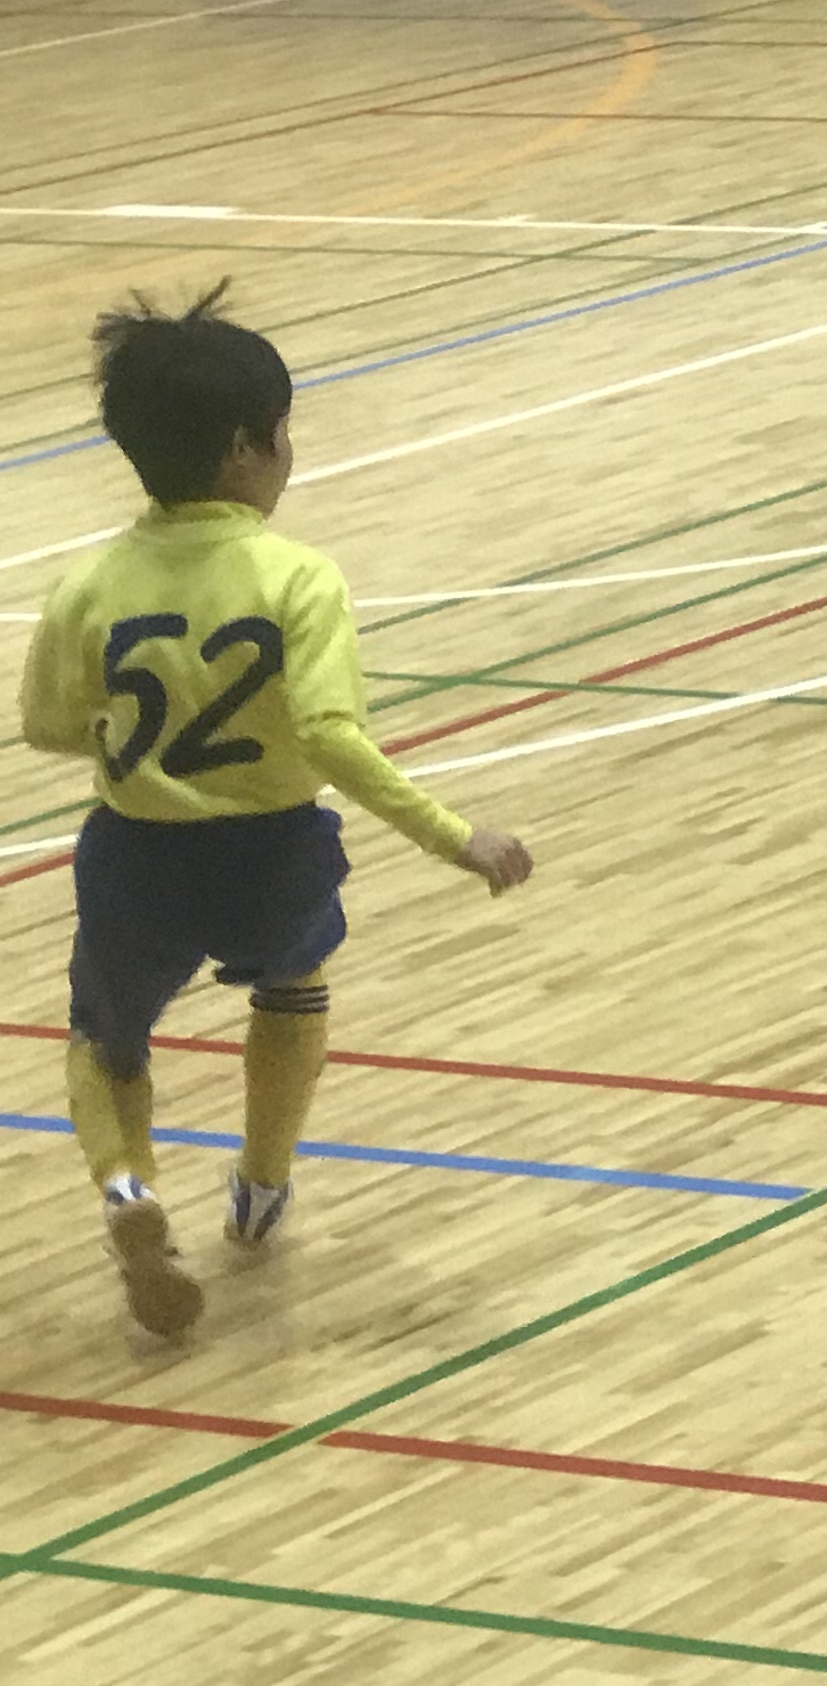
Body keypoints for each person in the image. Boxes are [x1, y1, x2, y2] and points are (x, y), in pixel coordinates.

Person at [19, 290, 536, 1339]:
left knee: (106, 1037)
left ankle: (126, 1189)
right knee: (292, 988)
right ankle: (259, 1187)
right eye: (282, 432)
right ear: (244, 451)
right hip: (272, 850)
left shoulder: (87, 587)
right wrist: (455, 836)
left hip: (136, 854)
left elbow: (47, 725)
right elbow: (332, 735)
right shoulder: (298, 578)